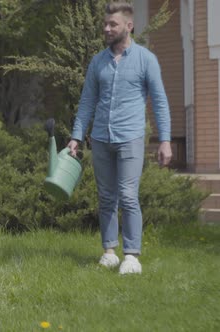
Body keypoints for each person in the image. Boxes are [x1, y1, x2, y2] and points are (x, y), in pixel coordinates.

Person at [67, 2, 172, 275]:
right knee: (106, 197)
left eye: (112, 24)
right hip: (101, 138)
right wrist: (76, 137)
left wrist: (165, 140)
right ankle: (110, 252)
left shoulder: (146, 59)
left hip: (130, 138)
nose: (107, 28)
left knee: (127, 195)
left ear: (129, 25)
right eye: (106, 24)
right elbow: (87, 101)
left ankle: (132, 256)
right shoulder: (97, 62)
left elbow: (159, 102)